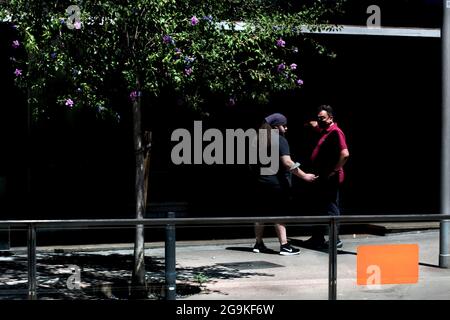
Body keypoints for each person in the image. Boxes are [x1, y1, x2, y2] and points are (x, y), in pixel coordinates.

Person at [252, 113, 317, 256]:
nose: (286, 128)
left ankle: (258, 244)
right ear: (276, 127)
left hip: (260, 182)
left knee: (260, 212)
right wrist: (304, 175)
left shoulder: (257, 139)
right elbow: (287, 163)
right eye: (284, 125)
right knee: (279, 213)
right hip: (276, 183)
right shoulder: (280, 140)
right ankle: (284, 245)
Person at [303, 105, 349, 249]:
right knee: (317, 206)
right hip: (321, 177)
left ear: (331, 118)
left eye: (322, 118)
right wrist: (311, 123)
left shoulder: (336, 132)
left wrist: (334, 170)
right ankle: (317, 238)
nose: (319, 120)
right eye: (318, 118)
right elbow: (315, 125)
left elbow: (345, 154)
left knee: (331, 207)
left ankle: (335, 239)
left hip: (330, 178)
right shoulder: (324, 130)